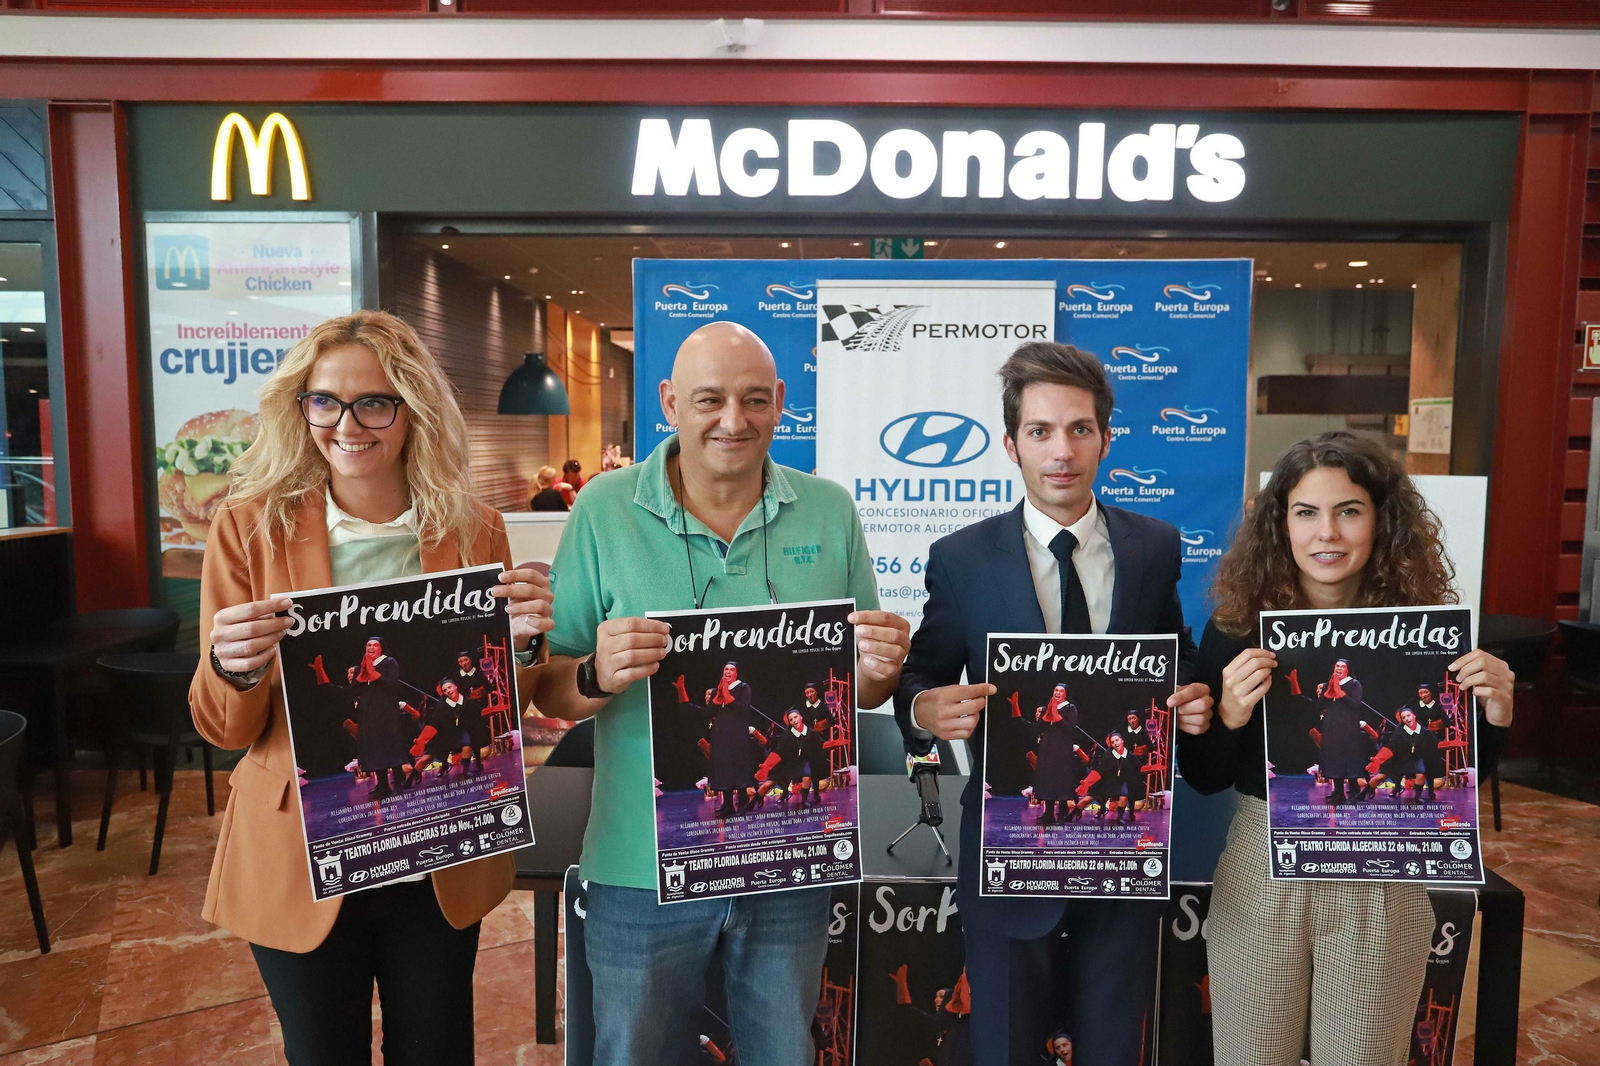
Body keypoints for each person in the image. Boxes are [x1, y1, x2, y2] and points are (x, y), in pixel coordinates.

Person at [531, 320, 912, 1066]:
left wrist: (878, 668)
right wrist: (593, 673)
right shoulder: (604, 511)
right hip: (641, 866)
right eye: (709, 399)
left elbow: (865, 688)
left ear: (780, 404)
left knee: (784, 1052)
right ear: (670, 402)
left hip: (790, 858)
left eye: (753, 400)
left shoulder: (829, 509)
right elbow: (548, 687)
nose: (732, 421)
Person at [189, 310, 554, 1066]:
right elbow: (223, 729)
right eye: (324, 401)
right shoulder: (248, 529)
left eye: (374, 403)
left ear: (411, 409)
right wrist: (234, 665)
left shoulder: (474, 528)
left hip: (436, 844)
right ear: (302, 409)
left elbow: (494, 713)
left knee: (437, 1049)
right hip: (301, 850)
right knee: (324, 1052)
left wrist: (520, 649)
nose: (347, 424)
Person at [895, 341, 1213, 1066]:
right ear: (1011, 444)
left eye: (1079, 429)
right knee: (1004, 1049)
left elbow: (1178, 653)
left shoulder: (1154, 548)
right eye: (1040, 431)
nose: (1061, 450)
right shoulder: (962, 558)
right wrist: (924, 714)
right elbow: (918, 677)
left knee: (1111, 1048)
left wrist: (1190, 692)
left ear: (1105, 437)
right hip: (1009, 854)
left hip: (1124, 847)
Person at [1176, 429, 1514, 1066]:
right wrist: (1228, 712)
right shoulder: (1235, 627)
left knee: (1363, 1054)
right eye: (1306, 513)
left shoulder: (1426, 625)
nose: (1326, 533)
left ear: (1381, 522)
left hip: (1381, 867)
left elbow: (1456, 778)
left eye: (1348, 511)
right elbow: (1207, 778)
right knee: (1251, 1052)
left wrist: (1495, 713)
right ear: (1281, 525)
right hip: (1262, 862)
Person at [1314, 658, 1370, 805]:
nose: (1338, 668)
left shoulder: (1354, 684)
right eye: (1337, 666)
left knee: (1349, 759)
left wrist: (1340, 692)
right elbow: (1320, 705)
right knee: (1334, 759)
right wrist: (1329, 692)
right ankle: (1338, 792)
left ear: (1348, 670)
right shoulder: (1328, 685)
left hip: (1348, 728)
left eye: (1342, 667)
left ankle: (1354, 792)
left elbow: (1355, 704)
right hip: (1331, 727)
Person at [1030, 684, 1081, 826]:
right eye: (1056, 690)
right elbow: (1038, 728)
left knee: (1060, 780)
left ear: (1065, 694)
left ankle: (1063, 812)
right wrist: (1048, 713)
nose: (1058, 693)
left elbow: (1070, 729)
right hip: (1047, 748)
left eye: (1061, 691)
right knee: (1047, 780)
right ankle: (1048, 813)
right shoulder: (1047, 708)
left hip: (1062, 749)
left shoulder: (1070, 708)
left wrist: (1056, 714)